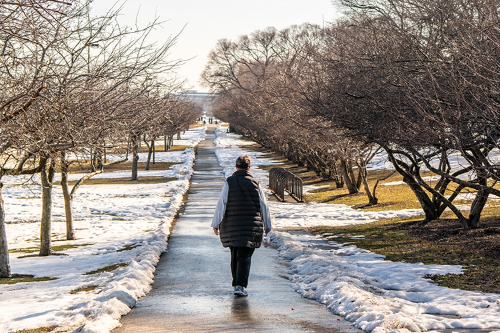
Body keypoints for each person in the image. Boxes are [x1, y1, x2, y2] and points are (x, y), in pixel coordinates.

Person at [211, 154, 272, 297]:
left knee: (235, 254)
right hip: (250, 226)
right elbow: (264, 205)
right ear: (249, 168)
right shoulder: (255, 184)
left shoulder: (229, 182)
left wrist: (216, 223)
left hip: (232, 226)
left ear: (236, 167)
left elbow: (222, 203)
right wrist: (267, 224)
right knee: (244, 255)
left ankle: (237, 283)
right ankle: (240, 285)